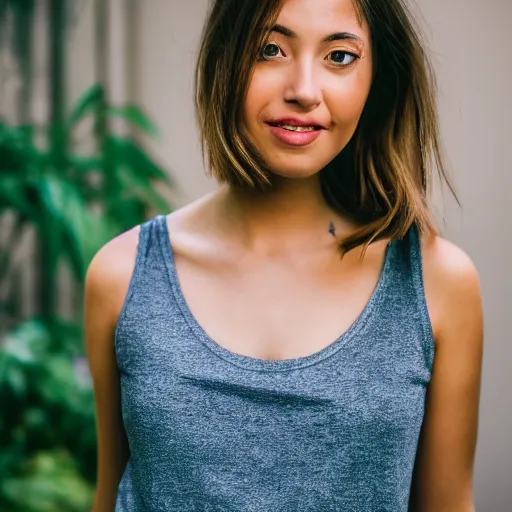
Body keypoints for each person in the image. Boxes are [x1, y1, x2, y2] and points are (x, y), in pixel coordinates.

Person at [84, 0, 484, 510]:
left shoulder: (436, 282)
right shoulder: (122, 277)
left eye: (340, 57)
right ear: (225, 60)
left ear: (378, 78)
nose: (303, 90)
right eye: (269, 50)